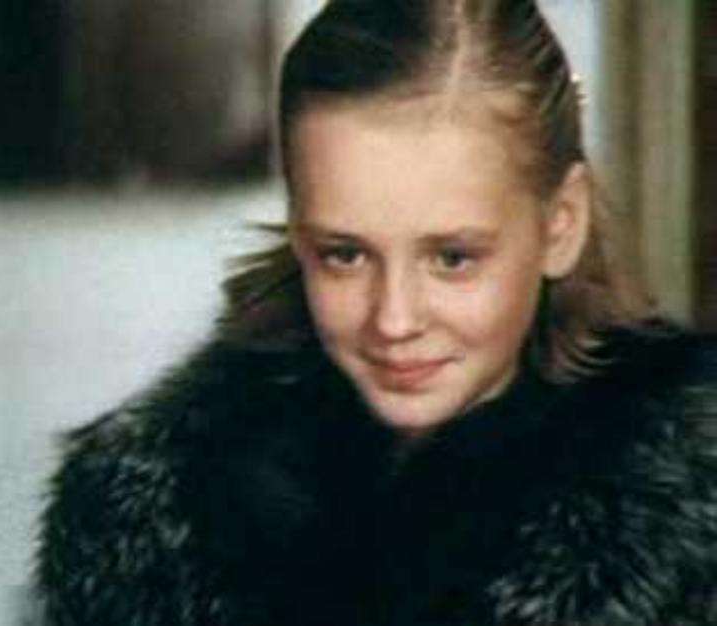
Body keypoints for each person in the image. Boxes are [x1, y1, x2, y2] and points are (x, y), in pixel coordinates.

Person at [35, 1, 717, 624]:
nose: (393, 320)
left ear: (560, 224)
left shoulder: (683, 525)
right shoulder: (159, 517)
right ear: (298, 231)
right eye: (345, 255)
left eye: (452, 258)